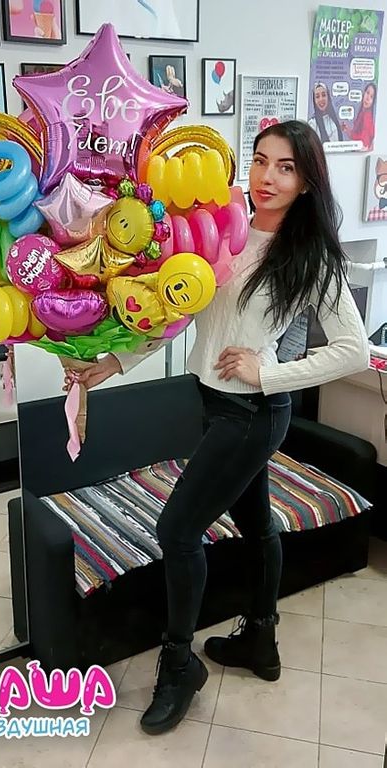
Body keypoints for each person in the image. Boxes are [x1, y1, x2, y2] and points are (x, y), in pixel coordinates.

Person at [76, 120, 370, 735]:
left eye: (286, 167)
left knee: (177, 530)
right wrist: (115, 361)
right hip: (213, 402)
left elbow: (354, 351)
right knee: (256, 522)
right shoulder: (222, 228)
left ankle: (180, 663)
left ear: (307, 180)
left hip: (254, 413)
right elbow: (179, 309)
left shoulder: (308, 254)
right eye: (260, 160)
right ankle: (261, 639)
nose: (267, 177)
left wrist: (270, 370)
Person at [342, 82, 376, 151]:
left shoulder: (367, 117)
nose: (368, 98)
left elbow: (363, 141)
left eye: (371, 97)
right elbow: (357, 134)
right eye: (367, 93)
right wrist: (347, 130)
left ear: (373, 102)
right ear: (364, 93)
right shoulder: (362, 112)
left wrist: (349, 133)